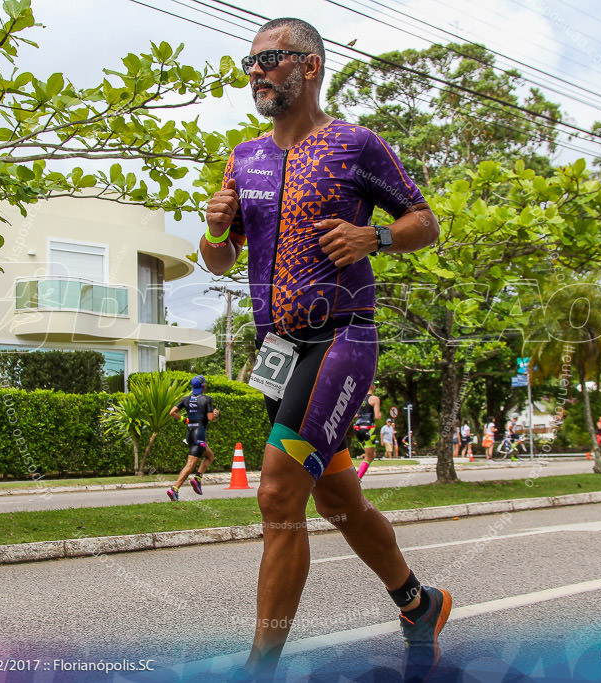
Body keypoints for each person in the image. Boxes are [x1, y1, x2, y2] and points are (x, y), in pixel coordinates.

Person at [201, 17, 448, 681]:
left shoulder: (356, 145)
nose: (256, 72)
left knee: (279, 495)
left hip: (342, 336)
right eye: (249, 63)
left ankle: (261, 666)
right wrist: (214, 230)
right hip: (276, 348)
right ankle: (418, 604)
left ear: (309, 67)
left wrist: (378, 239)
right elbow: (221, 262)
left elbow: (424, 220)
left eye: (271, 59)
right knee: (338, 502)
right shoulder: (243, 157)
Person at [167, 376, 220, 500]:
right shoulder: (207, 399)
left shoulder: (186, 399)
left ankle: (197, 478)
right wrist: (216, 414)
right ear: (203, 386)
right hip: (199, 435)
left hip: (190, 434)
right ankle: (174, 489)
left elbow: (172, 412)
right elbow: (211, 419)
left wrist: (185, 420)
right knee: (190, 464)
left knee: (210, 456)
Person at [354, 384, 382, 478]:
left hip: (357, 428)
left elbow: (355, 415)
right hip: (368, 428)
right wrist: (379, 414)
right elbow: (377, 416)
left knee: (371, 454)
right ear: (373, 386)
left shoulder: (360, 399)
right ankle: (357, 479)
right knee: (369, 456)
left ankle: (357, 474)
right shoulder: (375, 399)